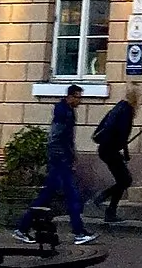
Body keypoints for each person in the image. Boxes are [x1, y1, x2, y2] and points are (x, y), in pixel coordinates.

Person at [15, 85, 96, 246]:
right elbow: (56, 137)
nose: (80, 101)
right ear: (71, 97)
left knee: (46, 196)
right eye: (78, 97)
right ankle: (78, 232)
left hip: (60, 160)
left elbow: (65, 139)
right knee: (72, 196)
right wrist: (65, 157)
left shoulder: (66, 111)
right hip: (60, 161)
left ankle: (22, 228)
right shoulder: (63, 112)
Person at [92, 86, 138, 223]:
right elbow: (122, 134)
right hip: (110, 150)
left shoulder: (118, 107)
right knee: (125, 180)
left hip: (106, 149)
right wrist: (124, 152)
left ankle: (108, 209)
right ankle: (103, 201)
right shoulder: (127, 110)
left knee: (123, 180)